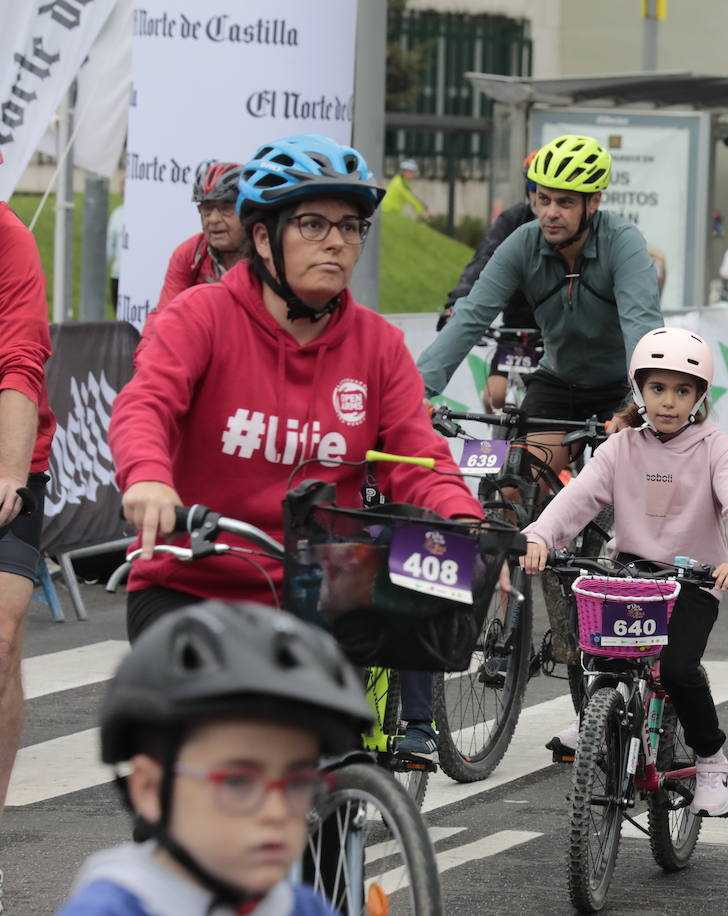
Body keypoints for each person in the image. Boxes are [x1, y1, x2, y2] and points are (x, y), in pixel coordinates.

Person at [109, 133, 482, 764]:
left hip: (319, 587)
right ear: (263, 237)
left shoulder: (378, 345)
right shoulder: (199, 318)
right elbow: (145, 404)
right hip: (192, 578)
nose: (337, 242)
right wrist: (148, 479)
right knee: (204, 760)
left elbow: (419, 458)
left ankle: (334, 852)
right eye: (313, 224)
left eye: (351, 226)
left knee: (333, 758)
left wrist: (463, 522)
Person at [519, 327, 728, 816]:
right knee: (603, 653)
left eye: (682, 390)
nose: (668, 402)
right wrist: (540, 536)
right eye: (657, 388)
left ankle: (712, 760)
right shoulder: (621, 447)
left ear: (698, 397)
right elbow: (578, 497)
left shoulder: (716, 447)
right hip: (630, 571)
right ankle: (596, 715)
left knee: (676, 669)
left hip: (693, 579)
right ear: (638, 390)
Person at [57, 601, 372, 915]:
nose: (277, 812)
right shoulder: (110, 909)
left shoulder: (301, 907)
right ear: (150, 789)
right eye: (238, 782)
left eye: (299, 783)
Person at [417, 133, 663, 479]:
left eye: (564, 203)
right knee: (515, 486)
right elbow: (471, 316)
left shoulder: (623, 242)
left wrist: (638, 404)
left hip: (620, 389)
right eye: (543, 199)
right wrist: (416, 390)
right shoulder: (522, 242)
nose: (550, 213)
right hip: (558, 383)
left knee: (621, 490)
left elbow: (642, 327)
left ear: (592, 203)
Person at [0, 199, 56, 827]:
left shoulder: (9, 239)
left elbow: (19, 362)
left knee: (2, 638)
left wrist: (10, 473)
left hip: (9, 448)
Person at [436, 152, 541, 411]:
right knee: (495, 397)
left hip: (559, 331)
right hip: (516, 324)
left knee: (543, 402)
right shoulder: (512, 219)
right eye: (533, 188)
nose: (539, 196)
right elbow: (483, 260)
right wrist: (457, 302)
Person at [155, 161, 247, 312]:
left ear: (247, 211)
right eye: (207, 209)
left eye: (226, 208)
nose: (213, 219)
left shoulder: (268, 256)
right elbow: (165, 314)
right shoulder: (190, 254)